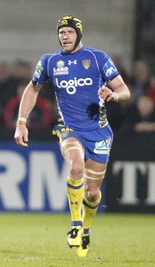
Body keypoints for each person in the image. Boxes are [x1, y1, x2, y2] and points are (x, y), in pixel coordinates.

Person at [14, 16, 130, 257]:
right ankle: (75, 225)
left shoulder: (97, 58)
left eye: (69, 32)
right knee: (76, 167)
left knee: (93, 192)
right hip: (69, 128)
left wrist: (114, 96)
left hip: (98, 132)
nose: (64, 36)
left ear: (79, 34)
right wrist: (21, 122)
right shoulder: (49, 61)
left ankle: (85, 231)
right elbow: (32, 88)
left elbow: (124, 90)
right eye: (61, 32)